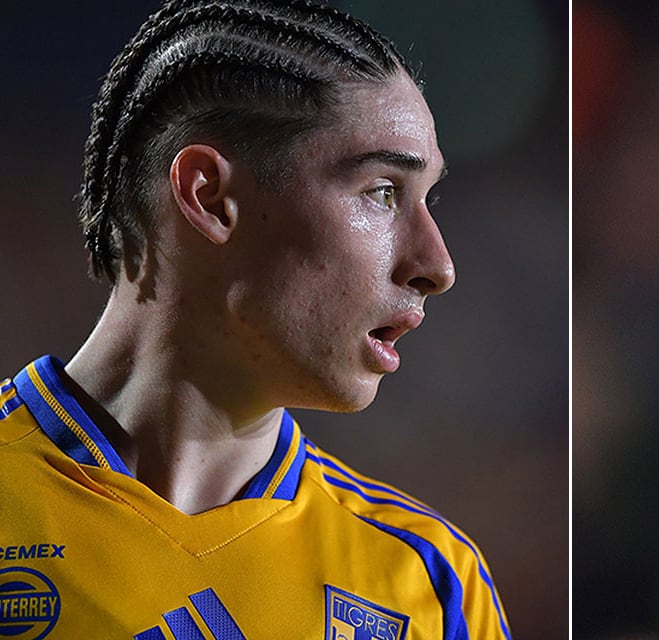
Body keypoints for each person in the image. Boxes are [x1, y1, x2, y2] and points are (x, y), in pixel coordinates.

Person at [0, 1, 511, 638]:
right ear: (209, 197)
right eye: (383, 192)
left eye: (427, 199)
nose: (436, 264)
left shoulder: (433, 584)